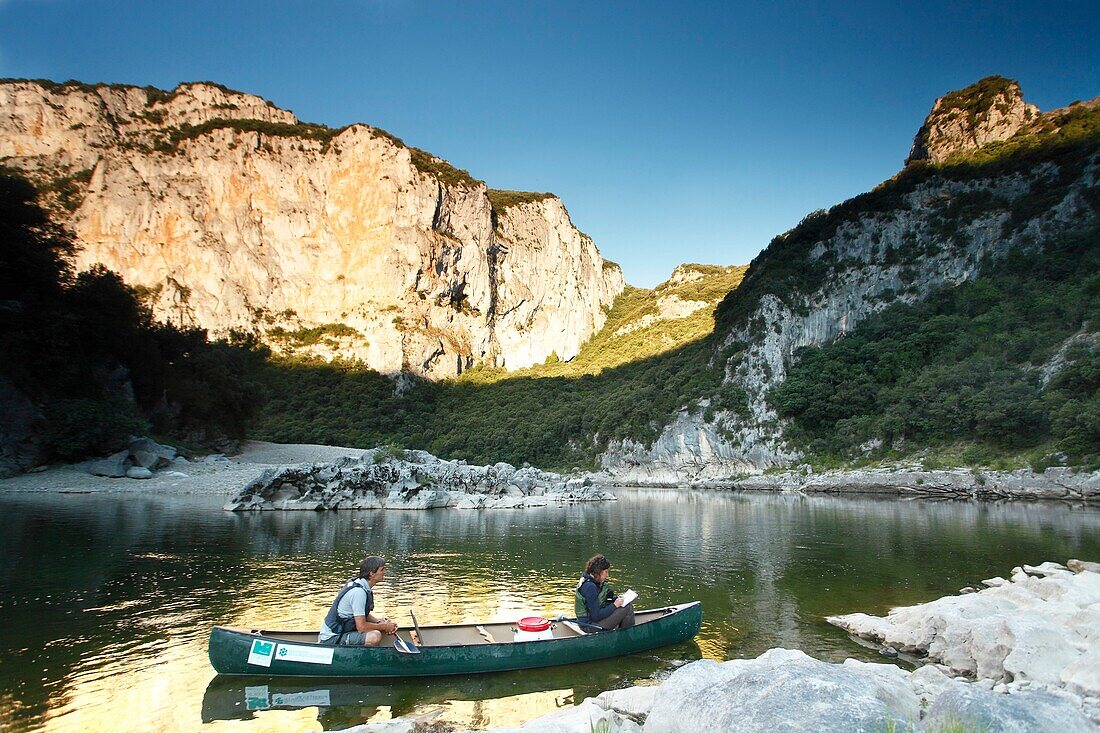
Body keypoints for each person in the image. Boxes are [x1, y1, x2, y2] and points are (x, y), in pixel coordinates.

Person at [318, 555, 399, 646]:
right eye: (382, 569)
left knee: (382, 622)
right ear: (372, 573)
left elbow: (361, 613)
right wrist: (384, 626)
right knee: (375, 636)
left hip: (340, 633)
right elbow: (361, 627)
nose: (385, 572)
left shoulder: (361, 585)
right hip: (332, 638)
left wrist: (378, 621)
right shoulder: (359, 592)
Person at [574, 554, 635, 630]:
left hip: (591, 622)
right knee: (628, 608)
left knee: (624, 605)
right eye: (606, 572)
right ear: (598, 571)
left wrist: (616, 599)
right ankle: (627, 637)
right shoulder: (590, 587)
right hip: (590, 626)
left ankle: (621, 634)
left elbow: (604, 598)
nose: (607, 575)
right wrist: (615, 605)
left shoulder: (592, 580)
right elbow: (596, 616)